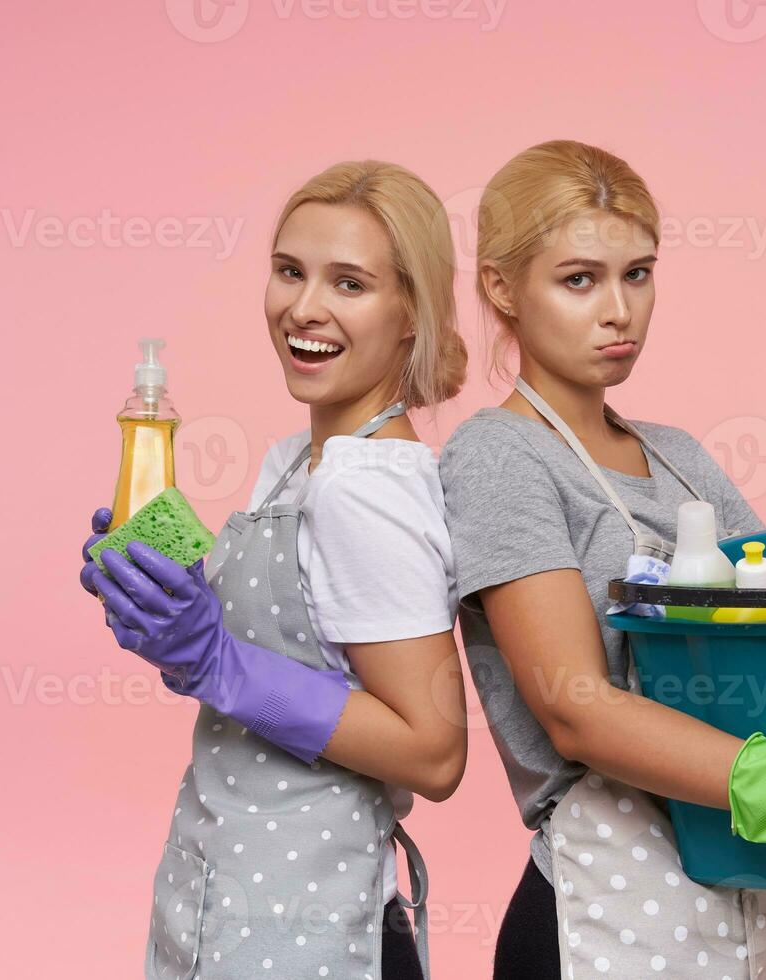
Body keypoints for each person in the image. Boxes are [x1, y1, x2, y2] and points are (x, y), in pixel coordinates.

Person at [439, 140, 766, 979]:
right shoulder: (500, 458)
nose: (619, 311)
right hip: (607, 908)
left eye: (639, 273)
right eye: (579, 279)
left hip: (759, 909)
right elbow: (575, 709)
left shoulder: (681, 457)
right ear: (502, 288)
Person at [80, 160, 469, 980]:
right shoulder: (300, 461)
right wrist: (163, 601)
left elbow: (433, 752)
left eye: (350, 283)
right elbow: (294, 651)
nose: (303, 307)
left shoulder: (369, 486)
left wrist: (214, 660)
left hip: (311, 933)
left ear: (411, 314)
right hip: (229, 901)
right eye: (289, 271)